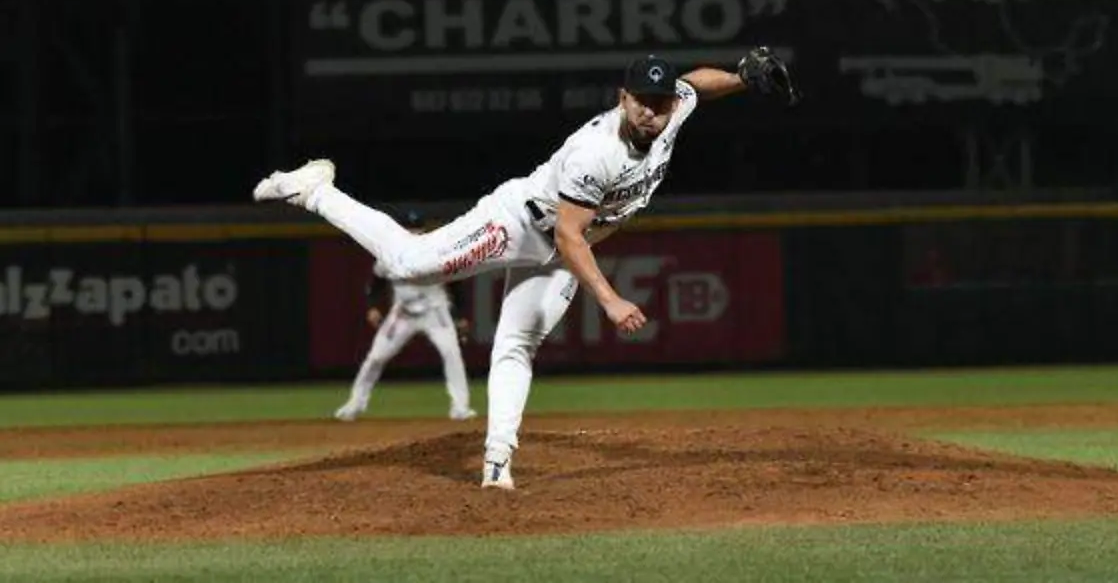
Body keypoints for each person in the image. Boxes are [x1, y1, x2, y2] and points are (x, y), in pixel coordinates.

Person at [252, 48, 798, 490]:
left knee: (516, 344)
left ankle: (496, 464)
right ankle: (315, 191)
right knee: (407, 263)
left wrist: (741, 78)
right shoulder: (595, 152)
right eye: (641, 102)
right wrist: (609, 299)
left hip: (562, 247)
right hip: (521, 224)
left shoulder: (671, 108)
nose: (651, 112)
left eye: (659, 102)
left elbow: (694, 85)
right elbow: (569, 235)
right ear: (622, 98)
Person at [333, 209, 477, 423]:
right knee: (375, 357)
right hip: (403, 314)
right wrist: (373, 307)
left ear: (424, 231)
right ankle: (355, 404)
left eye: (417, 229)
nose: (414, 233)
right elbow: (375, 284)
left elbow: (456, 285)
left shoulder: (437, 252)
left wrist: (461, 315)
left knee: (451, 354)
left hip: (435, 312)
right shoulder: (388, 256)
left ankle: (460, 407)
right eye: (410, 229)